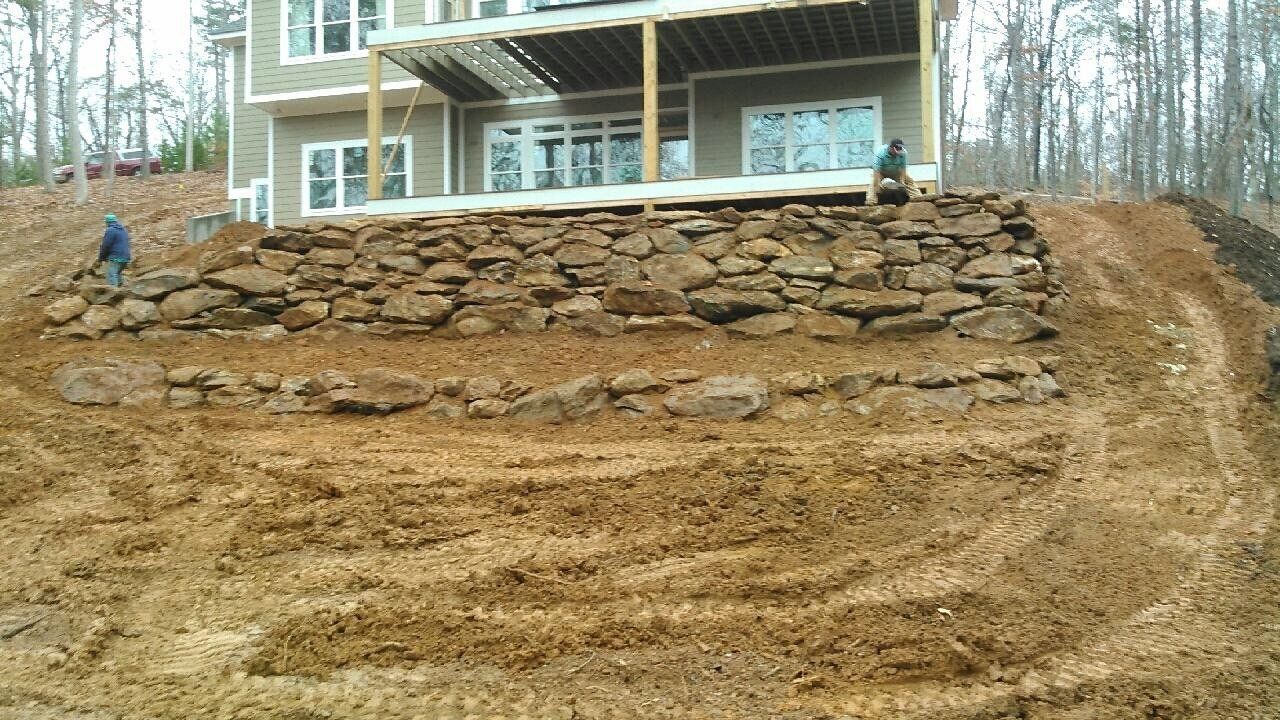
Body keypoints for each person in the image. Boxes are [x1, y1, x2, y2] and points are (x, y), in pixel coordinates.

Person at [866, 138, 922, 206]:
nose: (897, 152)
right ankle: (871, 201)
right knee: (873, 182)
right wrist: (877, 185)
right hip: (881, 171)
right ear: (891, 147)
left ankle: (917, 197)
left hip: (896, 170)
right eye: (896, 149)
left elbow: (903, 169)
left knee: (909, 180)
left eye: (899, 149)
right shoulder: (880, 153)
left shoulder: (903, 153)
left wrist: (902, 181)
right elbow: (876, 171)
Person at [96, 214, 132, 287]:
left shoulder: (111, 230)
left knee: (111, 275)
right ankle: (121, 292)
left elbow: (106, 245)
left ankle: (113, 293)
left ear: (107, 222)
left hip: (115, 257)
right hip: (125, 257)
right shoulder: (123, 230)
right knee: (118, 274)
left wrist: (101, 258)